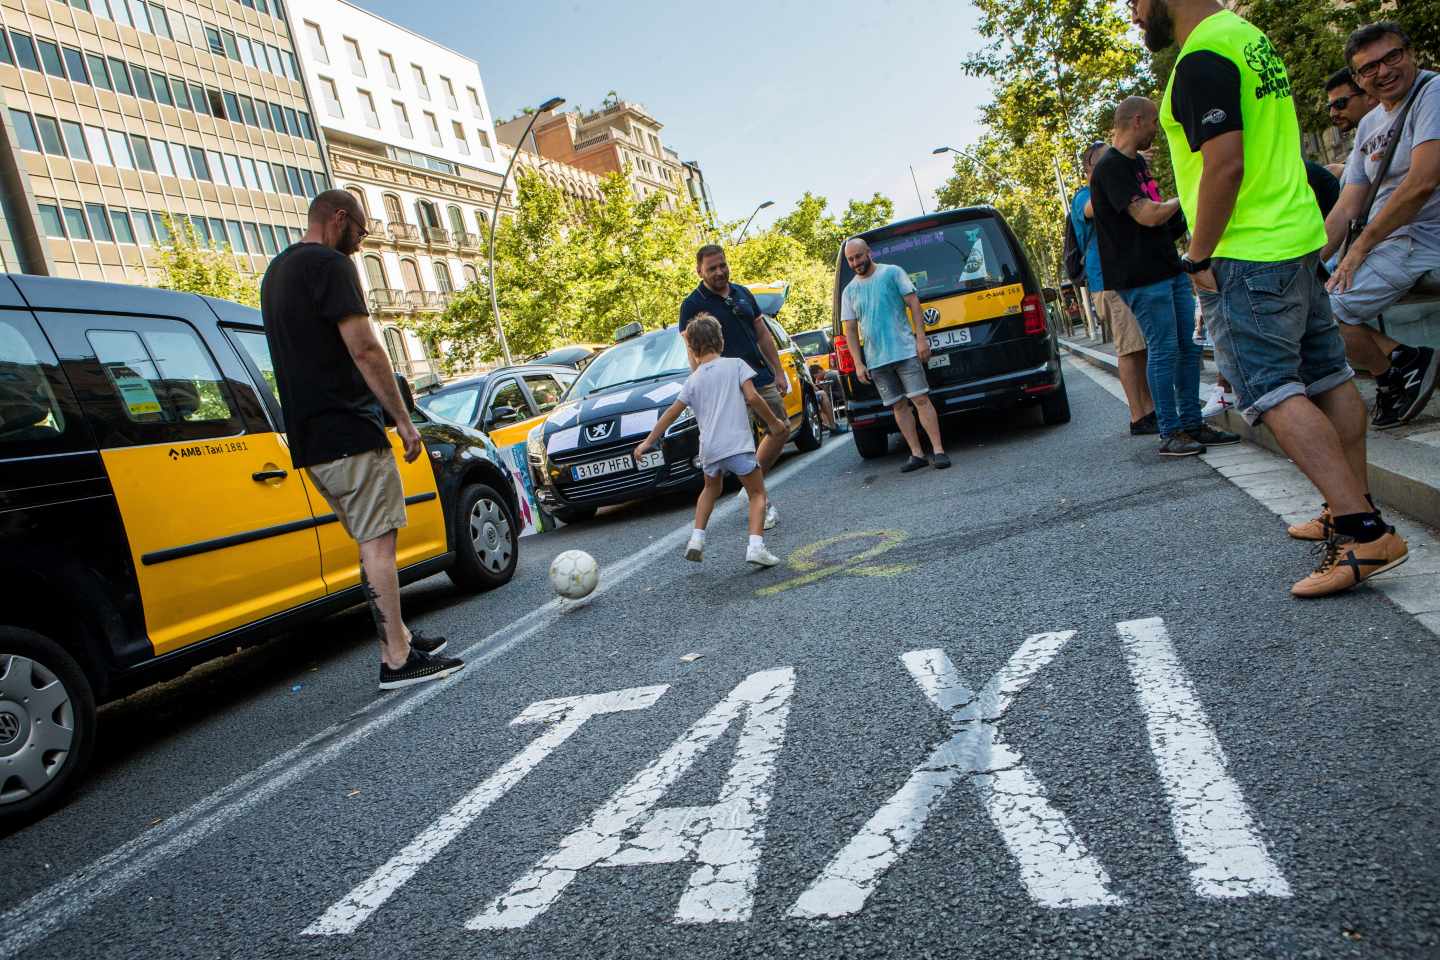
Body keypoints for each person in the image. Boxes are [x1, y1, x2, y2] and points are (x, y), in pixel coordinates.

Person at [1142, 0, 1408, 596]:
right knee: (1328, 378)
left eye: (1134, 1)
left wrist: (1199, 255)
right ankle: (1345, 508)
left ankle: (1364, 533)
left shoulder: (1202, 56)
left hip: (1247, 251)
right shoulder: (1247, 37)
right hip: (1295, 238)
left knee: (1270, 391)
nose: (1133, 14)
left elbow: (1225, 165)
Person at [261, 191, 463, 688]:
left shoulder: (277, 273)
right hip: (348, 430)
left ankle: (400, 638)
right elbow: (366, 348)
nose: (362, 239)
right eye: (362, 229)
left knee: (369, 541)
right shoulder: (330, 265)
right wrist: (404, 420)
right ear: (338, 219)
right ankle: (397, 659)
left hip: (310, 439)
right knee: (379, 542)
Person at [1090, 96, 1239, 457]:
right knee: (1164, 349)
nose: (1157, 129)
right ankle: (1170, 431)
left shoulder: (1137, 164)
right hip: (1140, 275)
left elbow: (1160, 219)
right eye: (1155, 122)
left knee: (1188, 347)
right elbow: (1146, 215)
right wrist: (1189, 197)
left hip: (1166, 266)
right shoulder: (1110, 167)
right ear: (1137, 120)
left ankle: (1190, 423)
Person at [1322, 21, 1440, 429]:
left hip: (1420, 238)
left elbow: (1422, 183)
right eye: (1369, 68)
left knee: (1323, 316)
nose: (1384, 71)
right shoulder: (1371, 123)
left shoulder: (1433, 93)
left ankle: (1395, 370)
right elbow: (1349, 203)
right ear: (1358, 78)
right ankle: (1401, 361)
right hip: (1388, 243)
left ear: (1411, 53)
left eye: (1392, 57)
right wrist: (1307, 259)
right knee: (1306, 302)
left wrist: (1360, 248)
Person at [634, 314, 785, 568]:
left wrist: (648, 441)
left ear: (691, 349)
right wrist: (773, 422)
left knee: (710, 490)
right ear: (721, 340)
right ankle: (756, 546)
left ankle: (696, 538)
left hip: (710, 450)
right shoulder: (736, 365)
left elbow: (671, 412)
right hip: (738, 446)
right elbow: (754, 398)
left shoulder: (693, 380)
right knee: (757, 493)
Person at [680, 245, 788, 529]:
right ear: (699, 271)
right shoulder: (692, 304)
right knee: (742, 445)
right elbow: (692, 351)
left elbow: (763, 334)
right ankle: (760, 502)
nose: (719, 272)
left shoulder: (742, 293)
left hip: (758, 376)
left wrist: (778, 371)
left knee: (780, 428)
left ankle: (749, 488)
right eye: (712, 268)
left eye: (722, 265)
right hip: (725, 385)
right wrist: (702, 386)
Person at [841, 238, 951, 472]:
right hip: (876, 359)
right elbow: (850, 329)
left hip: (904, 350)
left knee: (920, 399)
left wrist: (921, 338)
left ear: (869, 253)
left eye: (859, 256)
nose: (855, 262)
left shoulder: (892, 273)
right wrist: (858, 363)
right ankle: (917, 454)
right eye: (850, 259)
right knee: (898, 406)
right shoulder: (849, 291)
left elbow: (914, 303)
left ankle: (938, 450)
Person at [1071, 139, 1158, 433]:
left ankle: (1150, 410)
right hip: (1108, 280)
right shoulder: (1084, 196)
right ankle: (1138, 416)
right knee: (1130, 348)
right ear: (1088, 170)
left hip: (1130, 275)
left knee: (1140, 346)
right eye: (1105, 161)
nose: (1112, 165)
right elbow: (1092, 209)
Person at [1326, 66, 1379, 139]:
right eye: (1329, 107)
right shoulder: (1362, 139)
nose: (1332, 114)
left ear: (1370, 95)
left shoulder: (1395, 125)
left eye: (1340, 103)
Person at [808, 362, 847, 434]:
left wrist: (818, 385)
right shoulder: (829, 372)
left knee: (821, 399)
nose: (816, 378)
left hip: (840, 393)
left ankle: (827, 423)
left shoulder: (828, 376)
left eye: (816, 376)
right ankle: (828, 424)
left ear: (820, 371)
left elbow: (827, 391)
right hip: (838, 392)